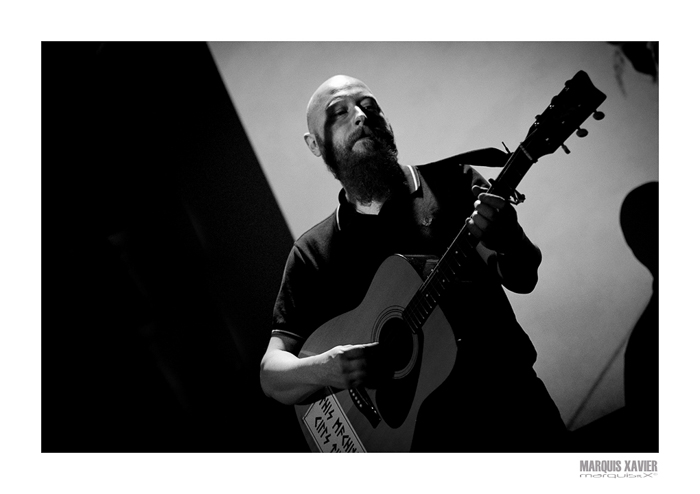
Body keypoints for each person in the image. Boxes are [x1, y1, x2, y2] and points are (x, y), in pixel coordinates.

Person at [260, 75, 566, 451]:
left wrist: (509, 237)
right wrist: (325, 368)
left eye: (370, 106)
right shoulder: (314, 252)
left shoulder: (454, 184)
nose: (360, 116)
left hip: (516, 414)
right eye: (339, 112)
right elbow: (272, 375)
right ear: (314, 144)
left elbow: (521, 276)